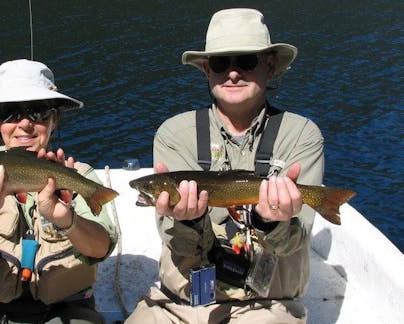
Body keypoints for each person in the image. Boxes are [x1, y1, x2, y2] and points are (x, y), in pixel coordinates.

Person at [126, 8, 324, 324]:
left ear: (270, 67)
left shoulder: (300, 135)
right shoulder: (176, 135)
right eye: (220, 63)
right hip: (181, 303)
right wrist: (188, 223)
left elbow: (295, 243)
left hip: (268, 306)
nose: (232, 73)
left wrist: (270, 221)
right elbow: (178, 245)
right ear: (206, 70)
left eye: (246, 62)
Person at [0, 59, 117, 323]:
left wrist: (66, 219)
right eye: (9, 112)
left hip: (66, 310)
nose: (25, 124)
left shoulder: (79, 176)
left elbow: (100, 248)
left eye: (38, 112)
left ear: (54, 119)